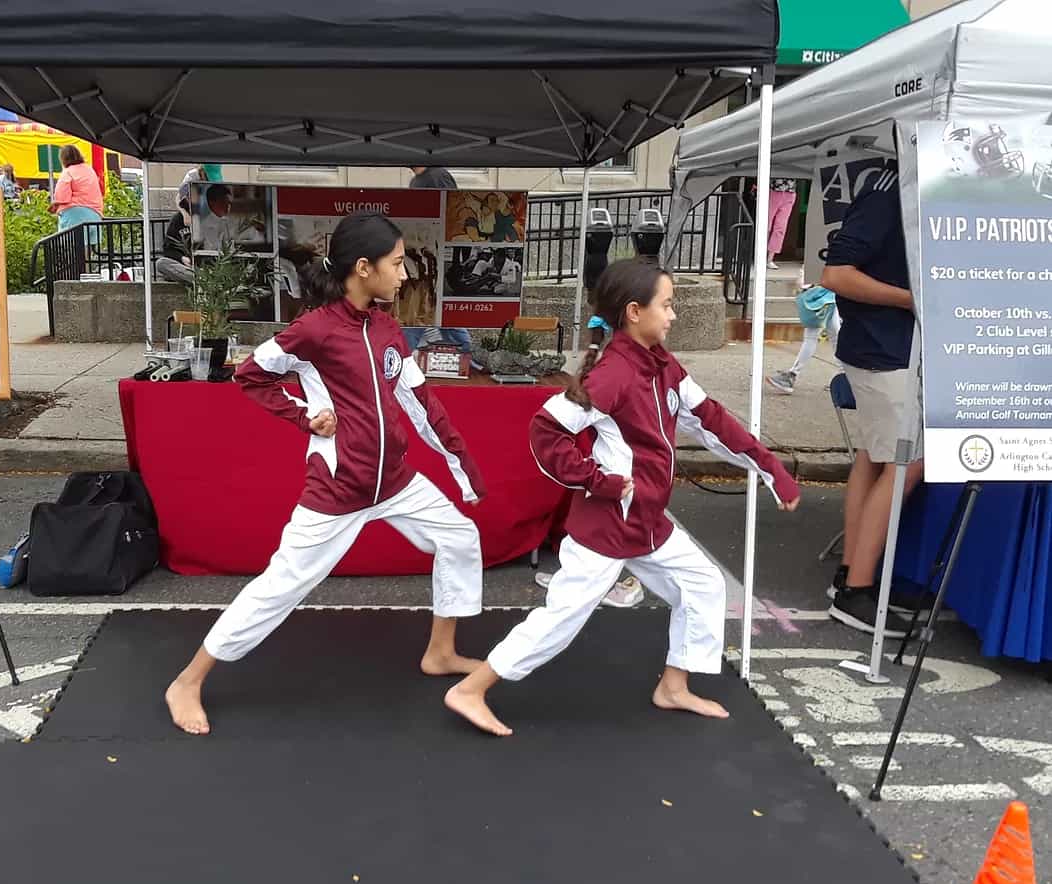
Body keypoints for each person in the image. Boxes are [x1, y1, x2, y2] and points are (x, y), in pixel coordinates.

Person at [444, 259, 801, 736]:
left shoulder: (664, 365)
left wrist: (772, 469)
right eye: (667, 305)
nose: (673, 315)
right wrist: (600, 481)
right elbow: (546, 431)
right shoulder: (613, 375)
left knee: (703, 585)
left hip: (648, 522)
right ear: (634, 311)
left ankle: (674, 685)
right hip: (608, 526)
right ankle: (470, 690)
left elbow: (712, 420)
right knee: (563, 618)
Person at [165, 211, 488, 736]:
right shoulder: (314, 329)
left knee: (460, 538)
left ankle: (441, 653)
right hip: (338, 490)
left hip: (396, 482)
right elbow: (251, 375)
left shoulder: (386, 327)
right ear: (363, 268)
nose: (405, 275)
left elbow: (420, 401)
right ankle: (189, 680)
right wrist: (304, 417)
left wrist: (462, 470)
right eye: (398, 264)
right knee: (280, 587)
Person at [819, 164, 921, 637]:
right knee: (906, 463)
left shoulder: (903, 183)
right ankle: (857, 589)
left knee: (875, 458)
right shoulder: (890, 188)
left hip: (884, 348)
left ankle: (852, 575)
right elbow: (836, 274)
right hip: (885, 349)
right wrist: (913, 299)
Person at [765, 286, 843, 396]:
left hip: (822, 294)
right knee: (834, 334)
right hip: (829, 292)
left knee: (813, 336)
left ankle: (792, 375)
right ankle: (845, 376)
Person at [48, 145, 104, 232]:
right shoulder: (89, 170)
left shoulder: (68, 172)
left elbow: (62, 197)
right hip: (95, 216)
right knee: (90, 244)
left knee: (71, 244)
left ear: (63, 159)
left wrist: (55, 205)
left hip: (74, 217)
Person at [155, 182, 196, 285]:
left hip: (206, 266)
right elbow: (168, 249)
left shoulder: (207, 217)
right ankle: (200, 280)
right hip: (185, 267)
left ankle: (199, 280)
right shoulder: (177, 220)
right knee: (161, 264)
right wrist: (182, 258)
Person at [766, 178, 797, 270]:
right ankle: (760, 256)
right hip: (774, 191)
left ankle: (770, 259)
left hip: (790, 192)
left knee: (780, 227)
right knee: (766, 225)